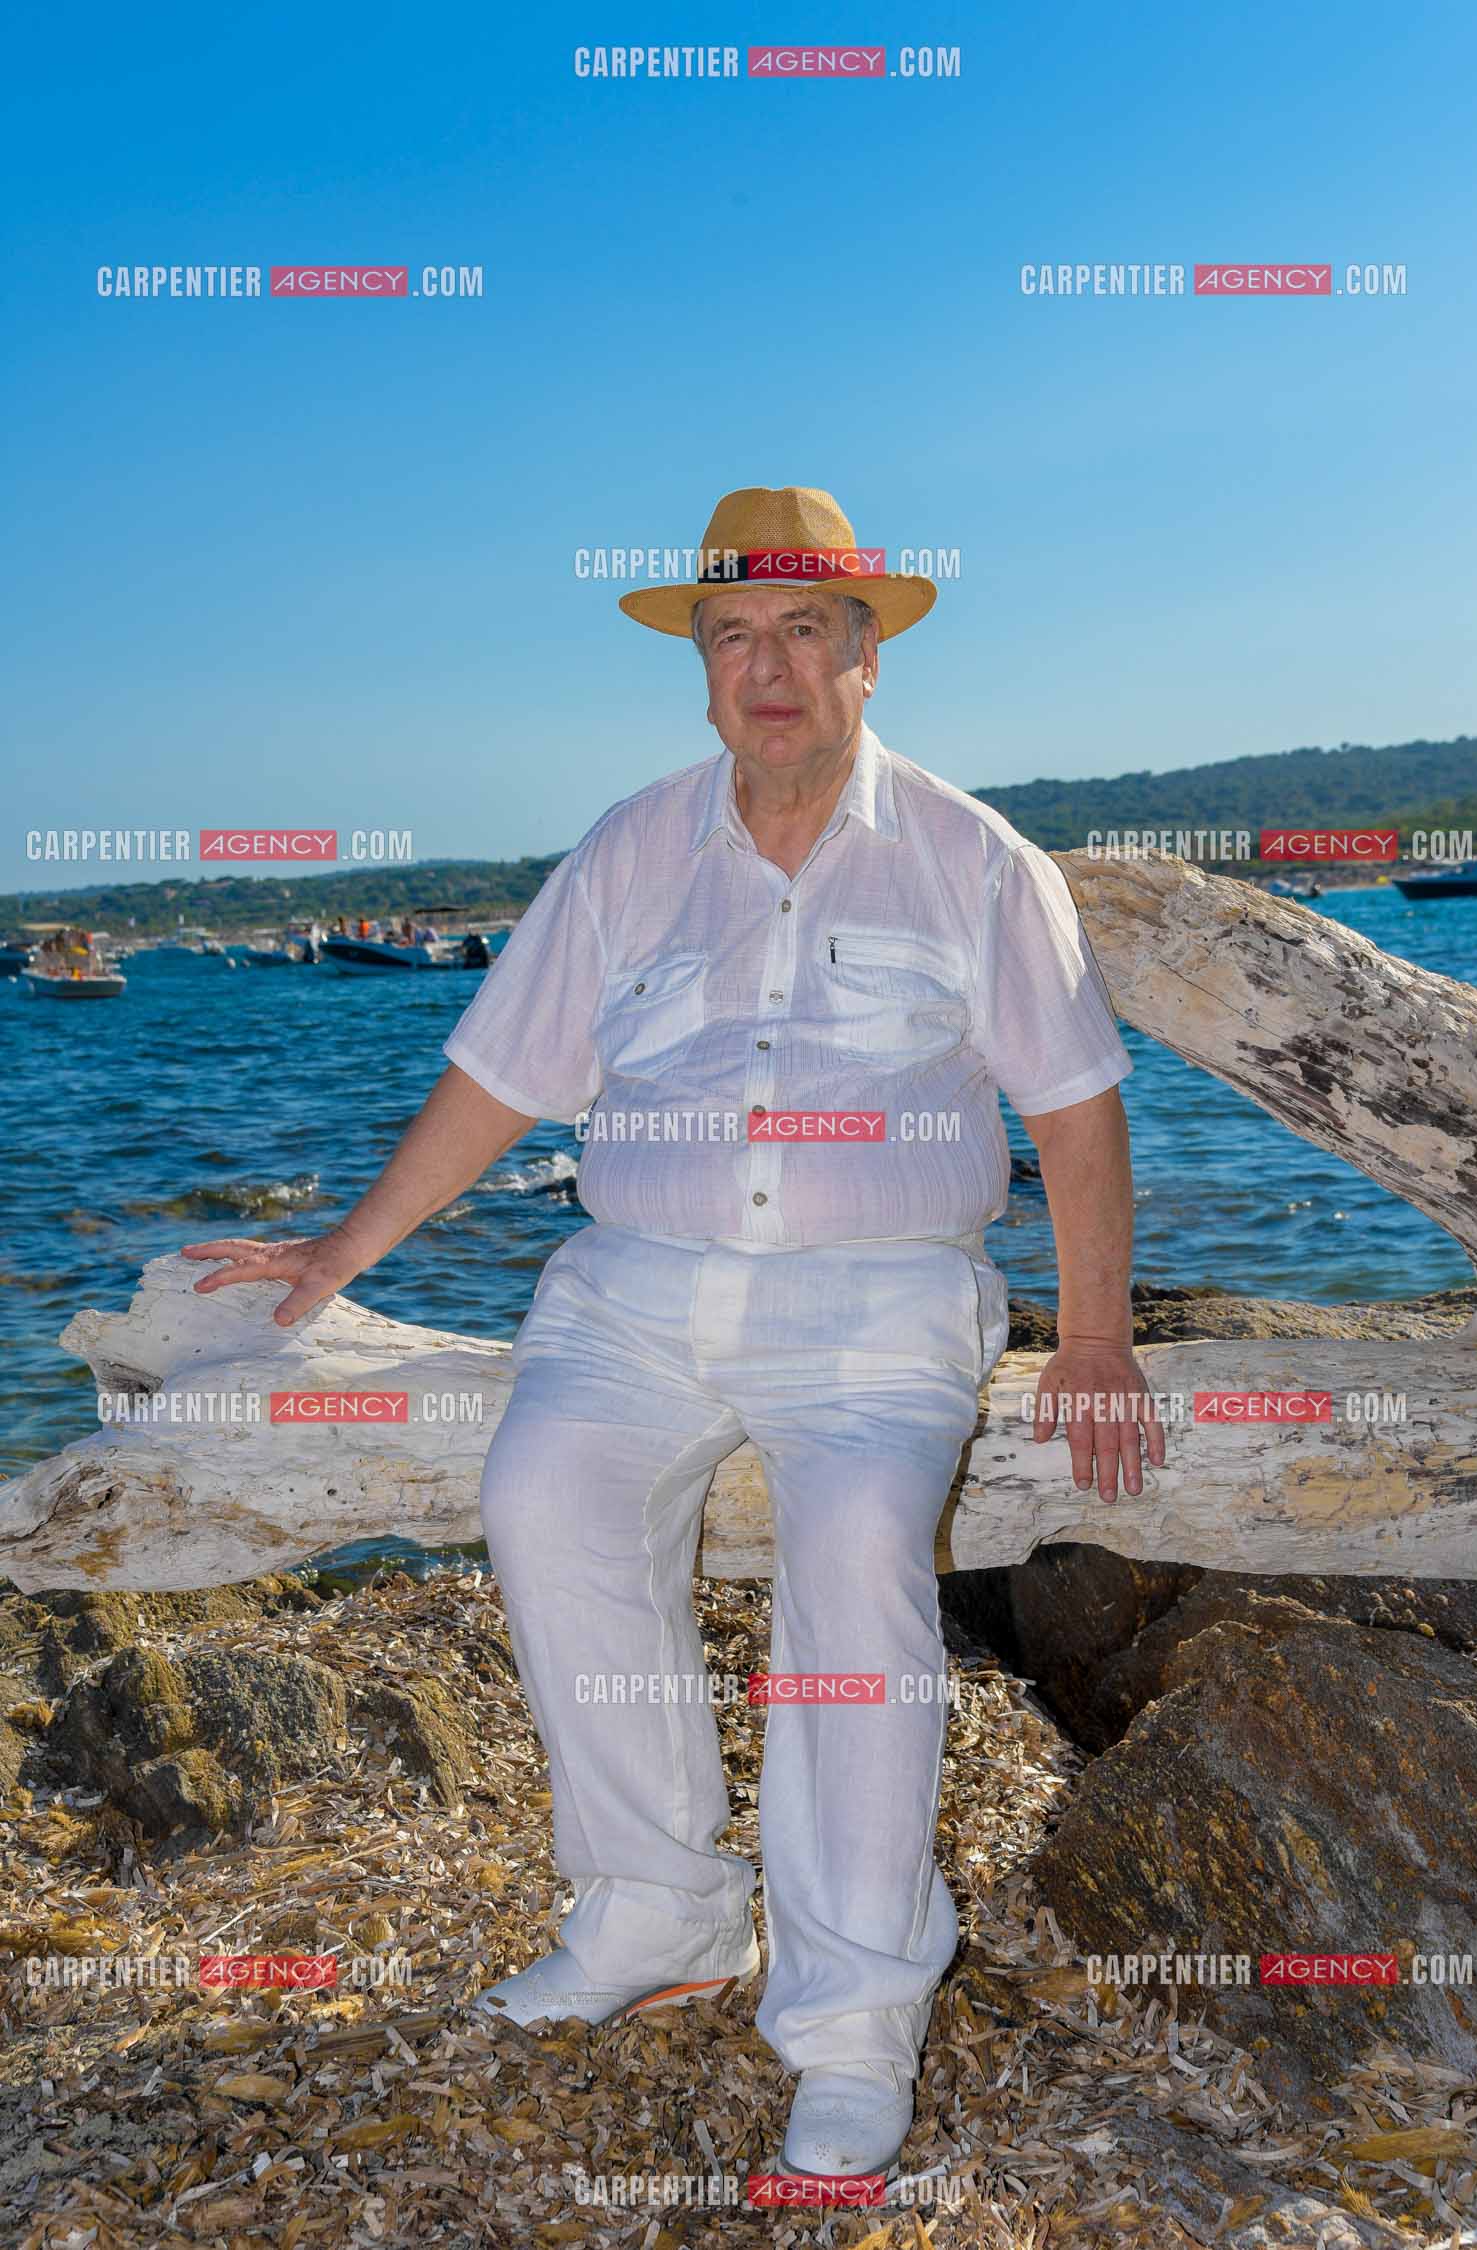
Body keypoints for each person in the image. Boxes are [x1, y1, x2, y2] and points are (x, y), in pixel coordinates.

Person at [180, 484, 1165, 2184]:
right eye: (733, 636)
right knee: (545, 1494)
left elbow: (1074, 1108)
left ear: (867, 655)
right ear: (701, 666)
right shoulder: (631, 849)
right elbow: (496, 1082)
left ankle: (855, 2020)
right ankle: (659, 1911)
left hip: (879, 1304)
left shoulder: (971, 857)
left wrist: (1094, 1334)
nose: (766, 666)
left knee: (857, 1550)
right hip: (631, 1290)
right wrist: (332, 1257)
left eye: (802, 631)